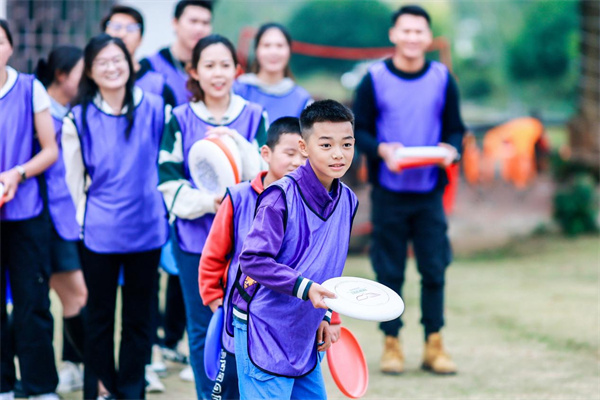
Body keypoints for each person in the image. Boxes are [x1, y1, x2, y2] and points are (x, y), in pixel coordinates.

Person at [353, 5, 466, 375]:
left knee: (434, 268)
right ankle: (392, 343)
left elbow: (454, 129)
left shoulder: (442, 78)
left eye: (420, 31)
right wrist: (382, 150)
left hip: (430, 192)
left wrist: (452, 149)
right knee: (390, 271)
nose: (413, 38)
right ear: (393, 34)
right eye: (406, 31)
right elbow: (361, 131)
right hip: (389, 192)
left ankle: (435, 345)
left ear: (428, 37)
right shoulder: (373, 79)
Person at [158, 34, 266, 399]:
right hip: (194, 239)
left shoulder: (254, 116)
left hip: (248, 244)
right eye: (209, 65)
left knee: (247, 323)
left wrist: (236, 145)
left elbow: (267, 177)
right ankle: (211, 395)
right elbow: (168, 183)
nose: (218, 74)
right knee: (203, 325)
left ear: (236, 70)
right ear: (194, 71)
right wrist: (214, 201)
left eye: (224, 65)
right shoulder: (179, 118)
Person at [61, 34, 169, 399]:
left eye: (117, 59)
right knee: (100, 318)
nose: (112, 67)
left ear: (130, 63)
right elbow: (74, 182)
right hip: (100, 232)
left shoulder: (156, 107)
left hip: (148, 229)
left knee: (140, 320)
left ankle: (131, 390)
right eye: (102, 62)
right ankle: (100, 387)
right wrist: (78, 228)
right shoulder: (78, 117)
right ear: (90, 71)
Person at [233, 100, 358, 400]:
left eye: (347, 144)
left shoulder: (348, 200)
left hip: (306, 328)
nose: (338, 154)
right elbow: (252, 260)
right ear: (304, 147)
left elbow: (329, 265)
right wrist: (304, 288)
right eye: (326, 145)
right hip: (264, 328)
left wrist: (326, 316)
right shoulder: (280, 197)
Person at [102, 5, 186, 388]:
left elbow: (168, 141)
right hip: (104, 211)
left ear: (140, 34)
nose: (121, 32)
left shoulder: (155, 82)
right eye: (114, 26)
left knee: (144, 287)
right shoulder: (92, 89)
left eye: (129, 27)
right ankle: (95, 373)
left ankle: (147, 357)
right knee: (100, 297)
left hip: (148, 205)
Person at [199, 117, 307, 400]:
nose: (297, 162)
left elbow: (320, 266)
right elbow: (213, 254)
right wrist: (214, 299)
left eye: (303, 155)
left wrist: (330, 318)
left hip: (289, 321)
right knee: (230, 388)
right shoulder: (238, 197)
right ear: (266, 154)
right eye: (289, 153)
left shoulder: (308, 203)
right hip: (239, 319)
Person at [0, 19, 60, 400]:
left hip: (25, 213)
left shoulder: (29, 88)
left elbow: (50, 149)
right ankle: (3, 384)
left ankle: (39, 387)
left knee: (33, 302)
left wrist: (17, 173)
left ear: (9, 46)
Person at [35, 46, 89, 394]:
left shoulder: (71, 114)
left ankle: (77, 368)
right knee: (73, 298)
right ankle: (92, 376)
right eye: (82, 73)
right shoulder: (40, 115)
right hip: (45, 221)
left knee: (73, 299)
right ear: (61, 75)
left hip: (70, 220)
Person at [234, 23, 312, 121]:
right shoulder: (237, 90)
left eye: (279, 46)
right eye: (267, 45)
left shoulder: (302, 100)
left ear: (289, 50)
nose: (273, 52)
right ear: (256, 50)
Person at [140, 0, 212, 106]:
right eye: (193, 21)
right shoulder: (150, 67)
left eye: (205, 23)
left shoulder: (216, 68)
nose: (199, 29)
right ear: (175, 23)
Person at [102, 5, 176, 108]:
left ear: (141, 38)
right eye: (116, 27)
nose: (122, 34)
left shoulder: (158, 85)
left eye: (131, 28)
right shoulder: (92, 79)